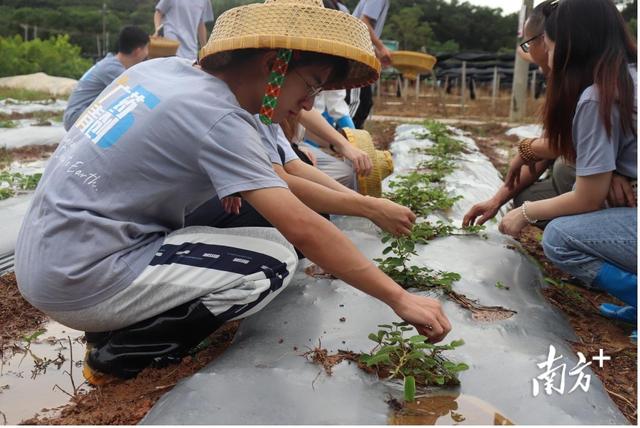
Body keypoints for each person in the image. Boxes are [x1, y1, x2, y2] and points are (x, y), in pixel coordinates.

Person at [15, 0, 451, 385]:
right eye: (312, 85)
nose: (306, 105)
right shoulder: (220, 117)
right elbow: (303, 228)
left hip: (44, 252)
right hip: (80, 278)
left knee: (251, 221)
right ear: (273, 64)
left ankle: (118, 319)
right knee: (272, 260)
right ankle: (121, 353)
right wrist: (400, 297)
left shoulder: (161, 71)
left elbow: (283, 177)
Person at [499, 0, 637, 327]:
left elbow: (587, 197)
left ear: (573, 43)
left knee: (560, 237)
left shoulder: (598, 96)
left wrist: (524, 212)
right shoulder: (630, 77)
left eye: (549, 41)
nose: (545, 49)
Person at [63, 26, 150, 131]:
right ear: (138, 51)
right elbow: (142, 91)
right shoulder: (113, 70)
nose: (147, 53)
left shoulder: (111, 63)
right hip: (76, 117)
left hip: (78, 114)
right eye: (146, 48)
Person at [347, 0, 392, 129]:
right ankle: (346, 138)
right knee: (357, 103)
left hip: (360, 51)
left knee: (364, 103)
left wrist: (377, 52)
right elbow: (364, 22)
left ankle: (349, 138)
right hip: (356, 54)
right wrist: (382, 48)